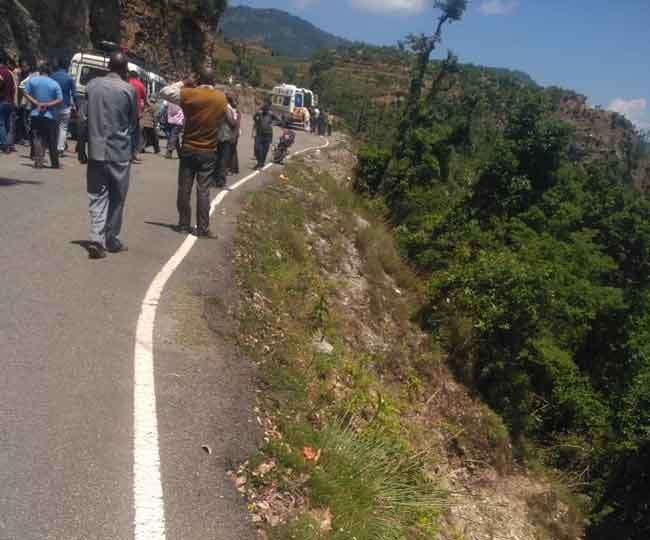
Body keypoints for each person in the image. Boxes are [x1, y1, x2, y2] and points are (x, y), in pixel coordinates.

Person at [160, 68, 227, 238]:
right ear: (213, 81)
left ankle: (183, 224)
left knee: (184, 188)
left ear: (198, 79)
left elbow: (164, 92)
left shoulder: (189, 94)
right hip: (209, 150)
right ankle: (203, 228)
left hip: (189, 148)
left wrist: (184, 82)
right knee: (203, 190)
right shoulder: (221, 98)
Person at [84, 52, 137, 259]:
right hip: (119, 152)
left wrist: (81, 146)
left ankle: (97, 239)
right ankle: (111, 238)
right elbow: (133, 123)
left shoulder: (92, 86)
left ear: (108, 66)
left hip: (96, 151)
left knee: (97, 196)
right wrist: (133, 149)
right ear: (124, 70)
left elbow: (83, 119)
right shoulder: (128, 89)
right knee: (118, 197)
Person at [23, 62, 63, 169]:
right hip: (50, 115)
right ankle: (54, 164)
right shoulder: (54, 84)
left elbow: (25, 92)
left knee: (37, 138)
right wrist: (47, 104)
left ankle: (38, 161)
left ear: (40, 72)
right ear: (49, 72)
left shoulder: (33, 81)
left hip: (35, 114)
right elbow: (60, 99)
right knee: (52, 140)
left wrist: (36, 102)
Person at [50, 59, 77, 157]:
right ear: (67, 67)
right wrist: (77, 107)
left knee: (54, 127)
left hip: (53, 105)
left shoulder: (52, 76)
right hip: (65, 106)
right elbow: (74, 94)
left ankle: (52, 146)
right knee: (63, 128)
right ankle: (60, 149)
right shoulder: (70, 78)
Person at [214, 94, 238, 187]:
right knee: (223, 159)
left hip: (218, 135)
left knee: (217, 158)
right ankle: (221, 181)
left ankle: (216, 179)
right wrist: (235, 120)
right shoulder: (227, 108)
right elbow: (232, 122)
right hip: (225, 136)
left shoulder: (219, 107)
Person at [252, 101, 279, 169]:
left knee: (265, 150)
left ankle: (261, 163)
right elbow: (254, 118)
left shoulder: (271, 114)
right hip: (259, 134)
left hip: (268, 134)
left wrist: (272, 123)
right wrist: (257, 117)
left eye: (266, 110)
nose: (264, 111)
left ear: (268, 109)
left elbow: (278, 120)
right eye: (263, 109)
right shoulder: (259, 113)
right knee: (258, 149)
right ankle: (259, 163)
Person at [128, 71, 146, 163]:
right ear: (137, 77)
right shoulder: (140, 85)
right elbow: (144, 98)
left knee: (127, 133)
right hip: (135, 112)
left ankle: (131, 155)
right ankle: (132, 155)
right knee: (134, 134)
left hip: (125, 111)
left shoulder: (126, 82)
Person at [0, 54, 16, 153]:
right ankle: (10, 144)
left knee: (1, 124)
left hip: (2, 101)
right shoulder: (10, 73)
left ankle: (4, 144)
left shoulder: (1, 72)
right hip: (9, 101)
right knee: (8, 124)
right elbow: (14, 88)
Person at [228, 95, 242, 175]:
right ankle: (233, 168)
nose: (234, 103)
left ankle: (232, 169)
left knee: (232, 151)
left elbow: (236, 124)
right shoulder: (234, 110)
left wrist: (234, 135)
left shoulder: (235, 111)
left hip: (234, 133)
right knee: (232, 151)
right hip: (234, 133)